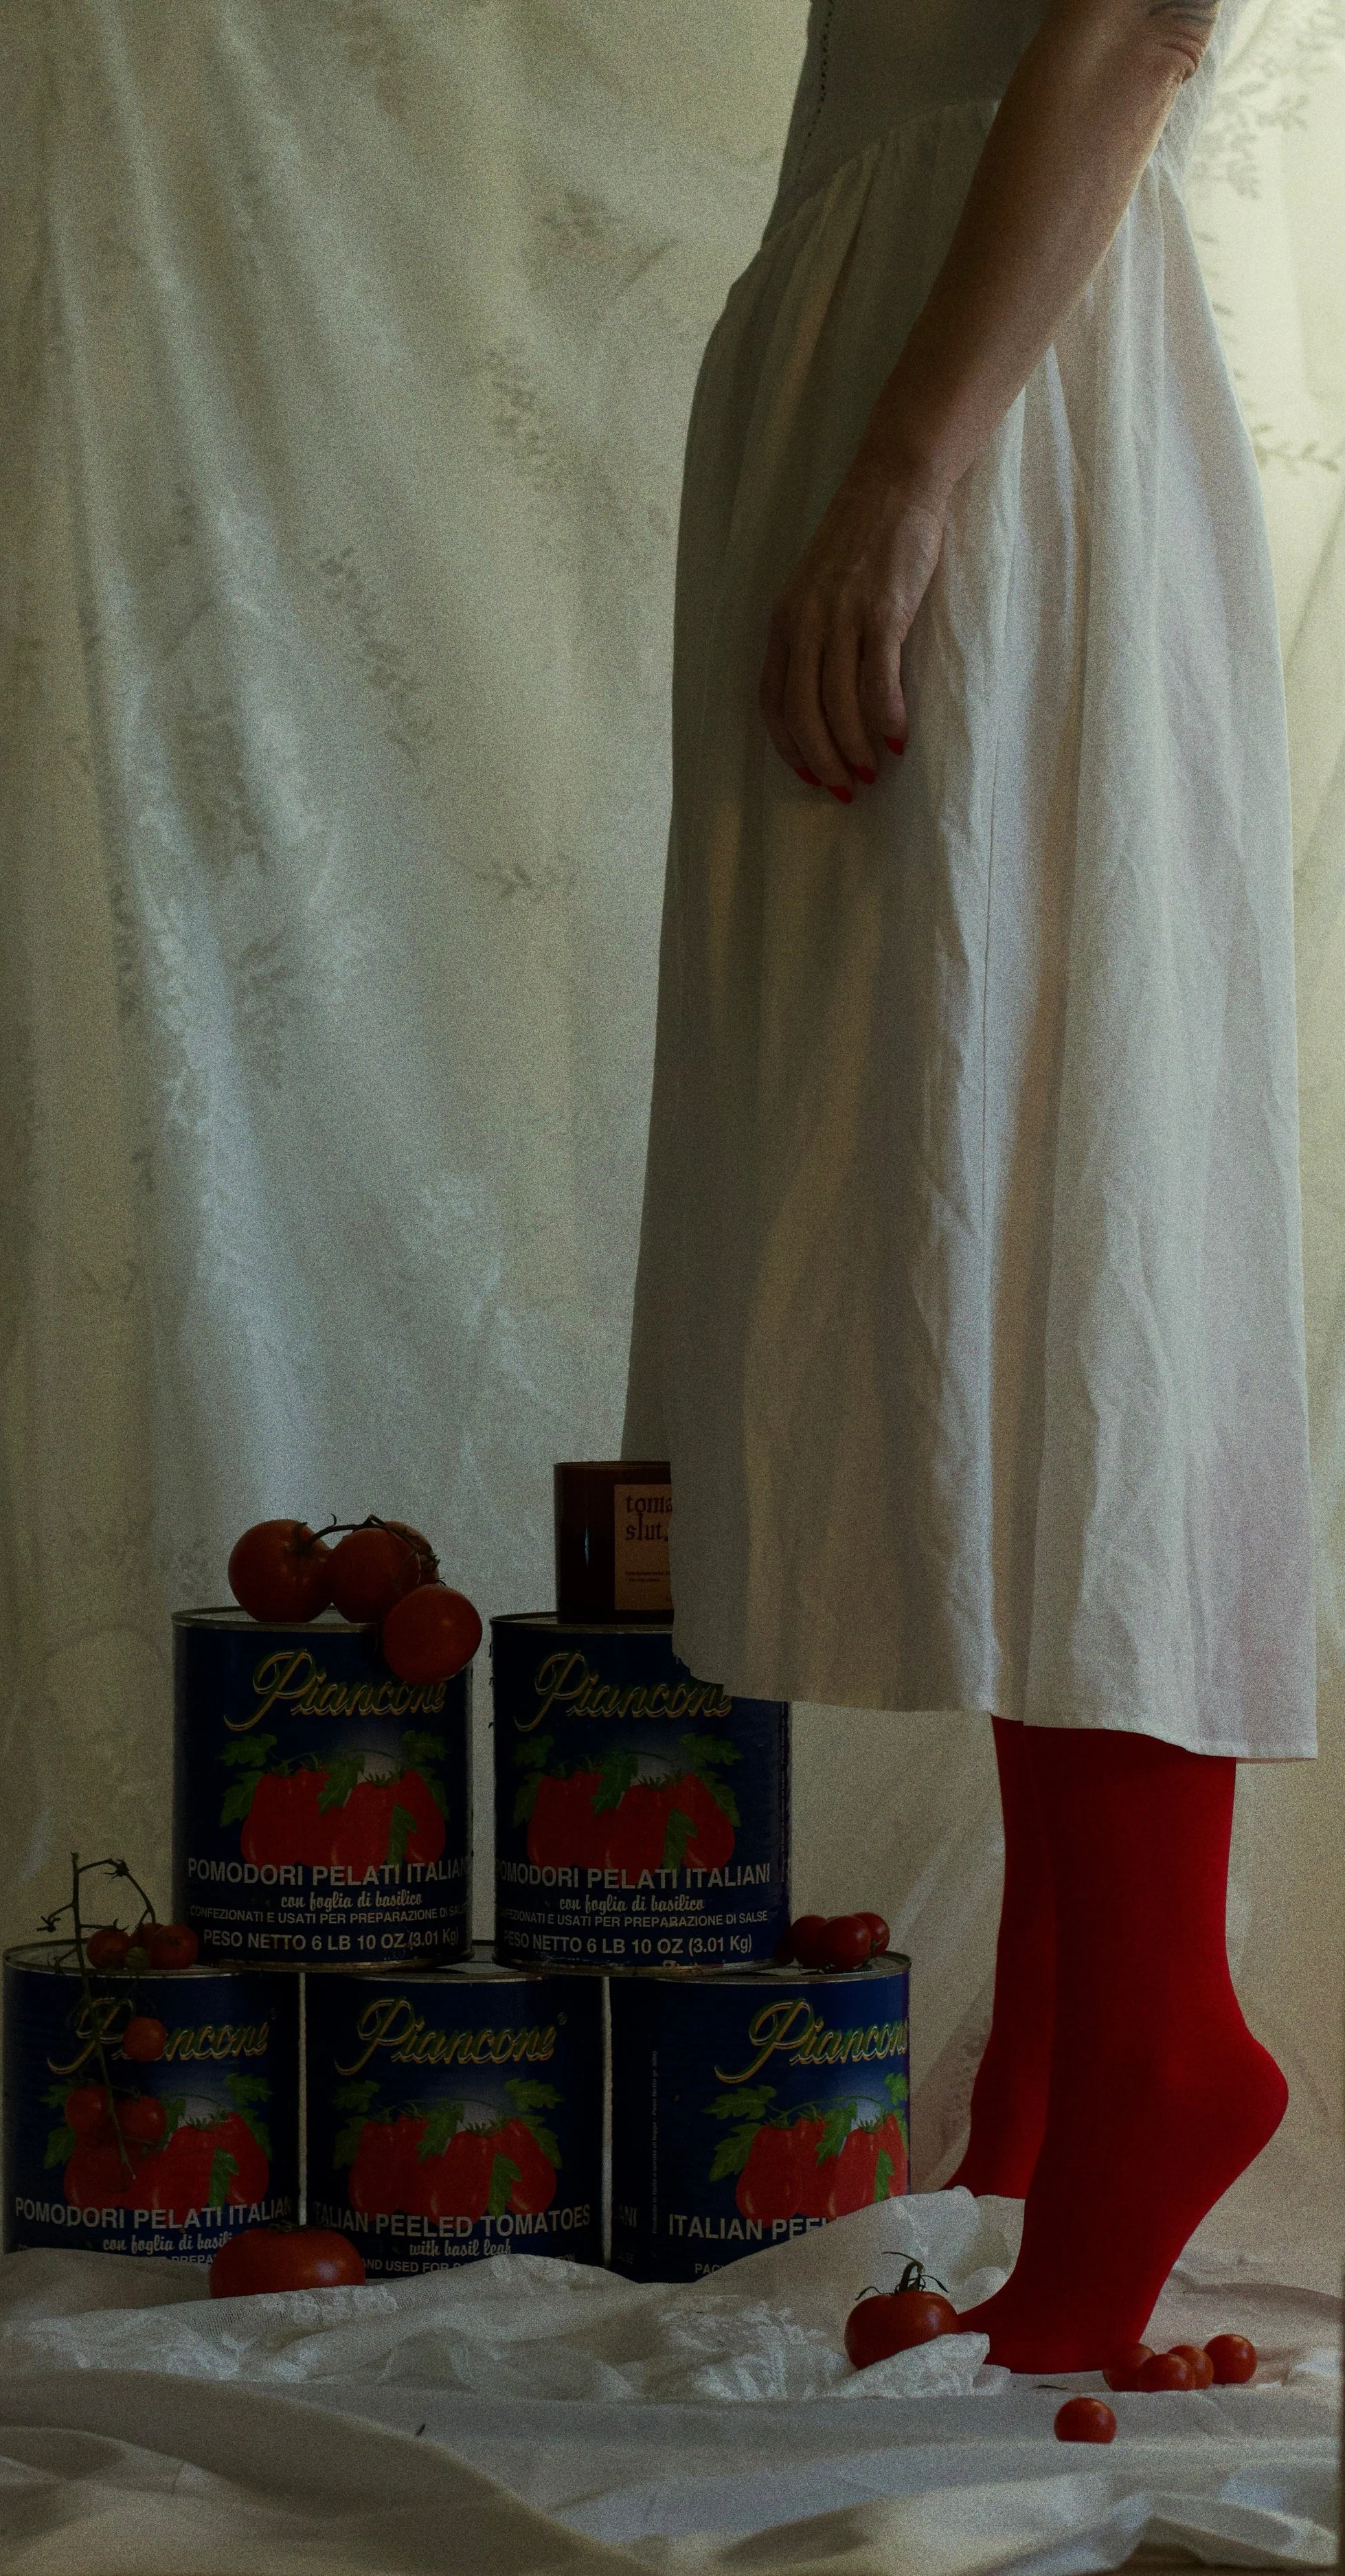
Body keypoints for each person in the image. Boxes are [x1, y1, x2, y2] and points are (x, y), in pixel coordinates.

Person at [622, 0, 1315, 2371]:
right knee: (983, 1213)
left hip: (991, 397)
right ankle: (1048, 2061)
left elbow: (1132, 19)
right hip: (909, 340)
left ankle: (1150, 2048)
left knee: (1070, 1185)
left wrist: (916, 462)